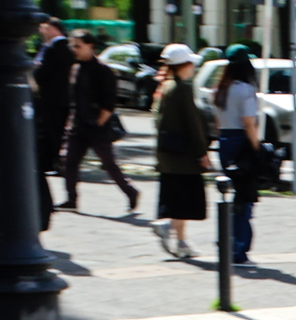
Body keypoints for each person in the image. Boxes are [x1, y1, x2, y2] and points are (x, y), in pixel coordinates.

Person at [61, 31, 138, 213]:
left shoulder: (103, 70)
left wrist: (99, 123)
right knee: (69, 162)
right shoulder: (76, 68)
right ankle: (71, 199)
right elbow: (74, 99)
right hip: (78, 125)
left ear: (90, 46)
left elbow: (109, 102)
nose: (74, 50)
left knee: (109, 164)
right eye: (73, 45)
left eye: (78, 45)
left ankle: (131, 192)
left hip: (96, 127)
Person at [150, 44, 211, 257]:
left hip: (167, 153)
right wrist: (202, 152)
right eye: (191, 62)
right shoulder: (183, 88)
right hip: (183, 156)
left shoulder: (164, 86)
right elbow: (193, 123)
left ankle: (182, 243)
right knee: (183, 200)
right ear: (184, 65)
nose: (194, 66)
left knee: (175, 198)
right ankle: (167, 225)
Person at [210, 45, 263, 265]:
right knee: (245, 197)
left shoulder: (220, 89)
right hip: (242, 143)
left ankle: (226, 242)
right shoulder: (246, 90)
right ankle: (239, 249)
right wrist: (257, 148)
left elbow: (218, 121)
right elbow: (249, 122)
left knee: (231, 195)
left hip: (224, 142)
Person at [31, 15, 73, 179]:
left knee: (51, 130)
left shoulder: (51, 49)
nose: (41, 31)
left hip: (50, 98)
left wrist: (35, 73)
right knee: (60, 130)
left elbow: (41, 73)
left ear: (54, 29)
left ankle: (53, 162)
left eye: (45, 27)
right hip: (65, 97)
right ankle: (55, 161)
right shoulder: (69, 47)